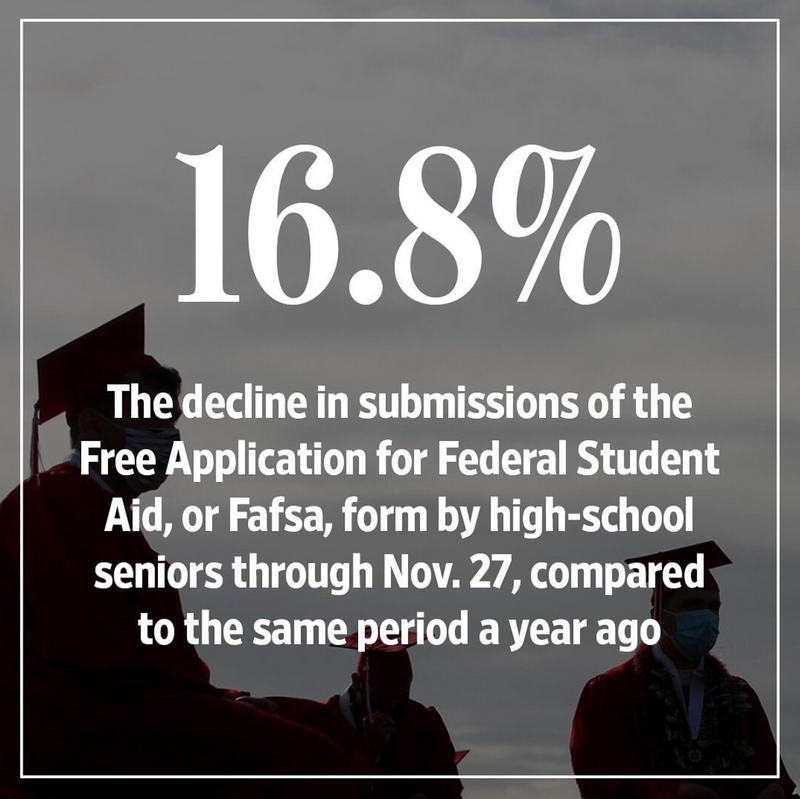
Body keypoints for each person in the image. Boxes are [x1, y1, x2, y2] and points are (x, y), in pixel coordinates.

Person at [0, 305, 356, 797]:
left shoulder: (98, 505)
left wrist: (215, 698)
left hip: (123, 702)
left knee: (325, 723)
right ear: (93, 426)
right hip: (76, 721)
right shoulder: (55, 503)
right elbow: (104, 652)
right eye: (147, 420)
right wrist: (212, 702)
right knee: (313, 761)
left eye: (168, 421)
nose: (166, 437)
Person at [570, 541, 796, 799]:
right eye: (691, 605)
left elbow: (769, 772)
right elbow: (602, 780)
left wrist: (771, 790)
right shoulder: (610, 691)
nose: (706, 616)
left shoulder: (739, 697)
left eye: (713, 607)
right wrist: (676, 793)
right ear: (658, 615)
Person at [322, 631, 464, 799]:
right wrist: (368, 750)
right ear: (358, 683)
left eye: (401, 697)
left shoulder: (424, 723)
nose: (393, 706)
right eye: (383, 699)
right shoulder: (324, 723)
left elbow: (448, 790)